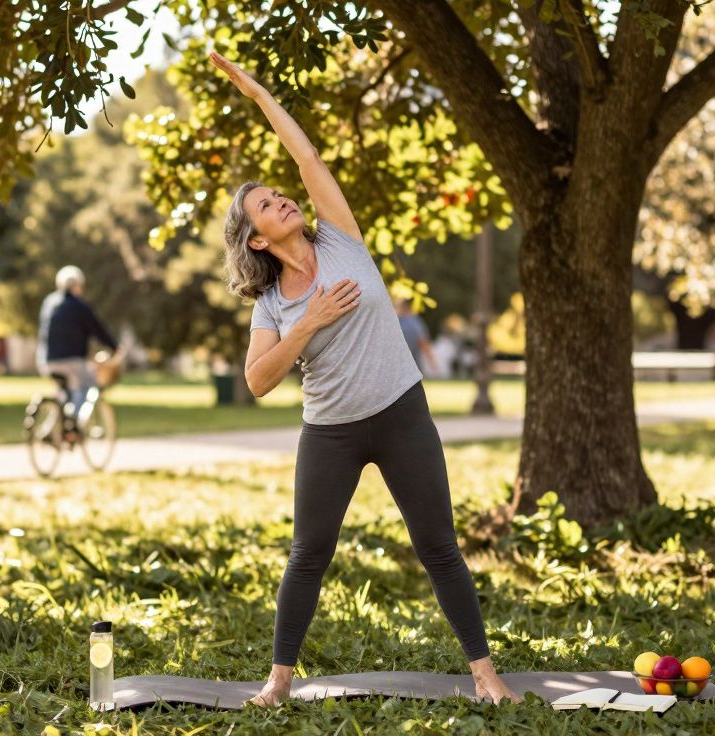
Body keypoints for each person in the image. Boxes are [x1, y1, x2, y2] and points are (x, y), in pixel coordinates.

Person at [211, 51, 521, 707]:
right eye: (266, 204)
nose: (282, 198)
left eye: (278, 192)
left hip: (402, 413)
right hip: (331, 433)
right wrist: (308, 324)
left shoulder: (341, 239)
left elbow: (307, 162)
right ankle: (277, 682)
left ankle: (487, 677)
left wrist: (260, 94)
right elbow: (259, 380)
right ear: (257, 239)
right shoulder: (271, 306)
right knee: (309, 554)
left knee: (439, 546)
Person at [37, 266, 118, 414]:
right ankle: (75, 423)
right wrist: (114, 347)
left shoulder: (49, 303)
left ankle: (55, 426)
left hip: (47, 360)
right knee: (88, 384)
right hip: (72, 360)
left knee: (63, 392)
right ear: (78, 285)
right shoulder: (79, 306)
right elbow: (98, 330)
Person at [395, 298, 441, 377]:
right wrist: (433, 364)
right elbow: (423, 343)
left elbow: (423, 342)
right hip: (413, 367)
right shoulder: (415, 322)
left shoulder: (399, 322)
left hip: (401, 366)